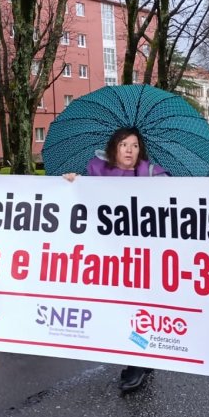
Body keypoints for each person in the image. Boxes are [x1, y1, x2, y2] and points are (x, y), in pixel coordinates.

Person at [63, 126, 169, 392]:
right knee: (119, 308)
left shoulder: (152, 173)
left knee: (138, 309)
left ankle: (137, 362)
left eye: (135, 145)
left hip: (143, 254)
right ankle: (142, 357)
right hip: (110, 254)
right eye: (123, 145)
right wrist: (71, 184)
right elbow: (83, 201)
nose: (129, 151)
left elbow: (180, 196)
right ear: (114, 148)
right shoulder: (97, 171)